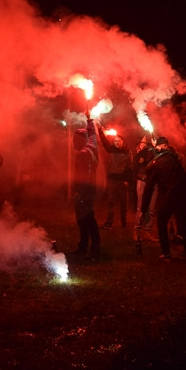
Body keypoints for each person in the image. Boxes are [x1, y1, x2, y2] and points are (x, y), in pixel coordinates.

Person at [139, 136, 186, 260]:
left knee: (162, 219)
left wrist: (143, 209)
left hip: (173, 192)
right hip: (185, 191)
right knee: (181, 220)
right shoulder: (172, 157)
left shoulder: (155, 164)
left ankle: (166, 252)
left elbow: (148, 188)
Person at [70, 111, 100, 260]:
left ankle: (90, 249)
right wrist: (89, 120)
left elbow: (85, 176)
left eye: (75, 139)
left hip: (85, 191)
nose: (73, 142)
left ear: (82, 140)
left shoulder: (83, 154)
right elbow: (93, 135)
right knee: (88, 219)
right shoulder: (92, 147)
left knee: (85, 220)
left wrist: (79, 193)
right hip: (90, 190)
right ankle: (87, 247)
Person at [98, 127, 132, 229]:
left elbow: (130, 167)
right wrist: (100, 130)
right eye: (115, 141)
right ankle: (109, 222)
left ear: (123, 142)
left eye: (119, 141)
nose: (117, 143)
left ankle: (124, 222)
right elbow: (104, 141)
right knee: (110, 201)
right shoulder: (110, 149)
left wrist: (127, 180)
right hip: (112, 179)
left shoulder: (127, 152)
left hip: (122, 181)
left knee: (123, 202)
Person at [132, 136, 159, 242]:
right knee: (141, 208)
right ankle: (137, 231)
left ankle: (148, 231)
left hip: (154, 183)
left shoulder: (158, 153)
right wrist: (142, 173)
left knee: (151, 209)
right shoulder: (142, 154)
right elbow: (137, 166)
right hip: (143, 182)